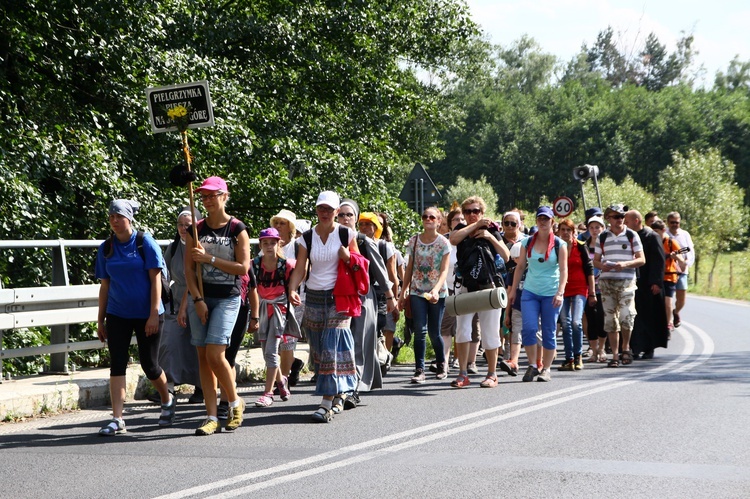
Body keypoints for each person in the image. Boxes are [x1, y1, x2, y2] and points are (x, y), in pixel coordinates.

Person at [95, 199, 175, 436]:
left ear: (129, 218)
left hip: (147, 313)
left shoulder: (144, 242)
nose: (115, 221)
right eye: (111, 217)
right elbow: (104, 287)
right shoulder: (106, 247)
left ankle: (167, 399)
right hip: (118, 313)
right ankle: (117, 418)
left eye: (119, 216)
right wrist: (100, 320)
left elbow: (155, 281)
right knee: (116, 364)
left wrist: (153, 314)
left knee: (150, 365)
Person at [184, 176, 250, 435]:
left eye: (213, 195)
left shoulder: (237, 229)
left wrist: (209, 257)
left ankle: (234, 402)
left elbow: (242, 268)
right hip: (201, 297)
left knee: (215, 354)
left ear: (224, 196)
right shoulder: (195, 229)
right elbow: (188, 269)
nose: (207, 200)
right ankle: (211, 415)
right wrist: (197, 299)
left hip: (227, 297)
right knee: (202, 356)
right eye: (204, 196)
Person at [288, 191, 360, 423]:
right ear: (317, 210)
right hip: (315, 296)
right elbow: (300, 267)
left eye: (330, 209)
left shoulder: (346, 233)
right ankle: (339, 392)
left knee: (331, 343)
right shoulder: (306, 238)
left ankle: (326, 404)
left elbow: (360, 264)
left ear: (337, 212)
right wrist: (292, 288)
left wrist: (348, 257)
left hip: (340, 296)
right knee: (319, 351)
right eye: (321, 208)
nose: (325, 213)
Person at [336, 200, 394, 405]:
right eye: (341, 215)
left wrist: (390, 297)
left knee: (359, 344)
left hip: (363, 298)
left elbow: (380, 272)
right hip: (337, 299)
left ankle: (353, 389)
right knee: (342, 345)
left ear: (356, 218)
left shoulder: (363, 241)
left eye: (349, 215)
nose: (345, 219)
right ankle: (344, 385)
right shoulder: (329, 239)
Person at [449, 196, 510, 388]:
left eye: (476, 211)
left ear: (482, 213)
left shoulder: (492, 230)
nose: (472, 215)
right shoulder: (460, 229)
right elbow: (453, 239)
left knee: (490, 331)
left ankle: (492, 374)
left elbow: (507, 257)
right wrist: (473, 227)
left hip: (489, 287)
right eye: (467, 212)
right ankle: (462, 374)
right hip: (466, 286)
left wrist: (489, 236)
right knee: (462, 330)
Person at [508, 206, 567, 382]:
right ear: (536, 221)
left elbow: (564, 270)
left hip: (551, 293)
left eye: (546, 219)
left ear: (552, 222)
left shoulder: (559, 244)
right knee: (529, 329)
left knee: (549, 331)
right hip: (530, 292)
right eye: (540, 218)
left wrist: (560, 293)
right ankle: (533, 365)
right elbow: (520, 267)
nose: (543, 222)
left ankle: (546, 369)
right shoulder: (527, 243)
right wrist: (512, 291)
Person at [399, 206, 451, 383]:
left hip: (437, 292)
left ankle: (441, 363)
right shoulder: (414, 241)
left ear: (439, 221)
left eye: (432, 217)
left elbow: (444, 271)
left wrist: (436, 290)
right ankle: (419, 369)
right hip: (417, 290)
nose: (428, 219)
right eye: (425, 216)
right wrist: (403, 291)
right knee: (419, 331)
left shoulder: (444, 243)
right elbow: (409, 269)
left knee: (434, 332)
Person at [159, 206, 203, 404]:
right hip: (176, 302)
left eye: (188, 225)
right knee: (169, 340)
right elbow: (163, 270)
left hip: (198, 300)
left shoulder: (199, 247)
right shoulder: (175, 246)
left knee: (198, 344)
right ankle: (168, 387)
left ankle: (202, 386)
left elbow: (192, 277)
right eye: (180, 225)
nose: (183, 228)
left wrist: (186, 305)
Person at [593, 204, 645, 367]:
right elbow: (595, 260)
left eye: (622, 217)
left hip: (626, 282)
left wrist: (626, 264)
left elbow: (641, 259)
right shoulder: (602, 237)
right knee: (610, 319)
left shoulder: (632, 235)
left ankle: (626, 348)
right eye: (616, 217)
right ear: (608, 218)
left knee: (626, 315)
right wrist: (603, 266)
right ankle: (615, 355)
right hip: (607, 282)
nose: (620, 220)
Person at [251, 227, 298, 407]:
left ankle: (268, 393)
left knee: (271, 351)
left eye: (272, 243)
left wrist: (293, 293)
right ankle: (281, 381)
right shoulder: (254, 264)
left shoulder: (286, 265)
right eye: (265, 243)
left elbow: (302, 269)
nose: (269, 246)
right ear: (261, 244)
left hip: (280, 310)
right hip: (263, 309)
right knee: (266, 352)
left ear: (279, 243)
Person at [625, 210, 667, 360]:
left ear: (636, 221)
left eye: (627, 221)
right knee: (634, 317)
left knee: (649, 316)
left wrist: (656, 282)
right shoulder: (629, 237)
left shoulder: (651, 237)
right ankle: (635, 347)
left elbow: (658, 261)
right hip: (634, 283)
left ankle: (649, 348)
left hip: (649, 285)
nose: (625, 224)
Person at [270, 209, 305, 386]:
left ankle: (282, 380)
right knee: (273, 340)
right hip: (272, 300)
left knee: (287, 340)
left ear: (290, 227)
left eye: (282, 223)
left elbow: (305, 271)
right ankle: (286, 371)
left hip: (295, 298)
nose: (278, 226)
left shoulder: (298, 246)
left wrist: (291, 287)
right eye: (276, 222)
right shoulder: (268, 244)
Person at [556, 219, 596, 372]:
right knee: (565, 323)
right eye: (563, 230)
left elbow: (589, 269)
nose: (565, 233)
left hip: (580, 288)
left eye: (569, 230)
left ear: (573, 232)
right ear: (559, 231)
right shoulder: (556, 247)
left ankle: (578, 355)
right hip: (562, 289)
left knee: (576, 322)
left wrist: (592, 293)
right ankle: (569, 358)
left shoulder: (580, 246)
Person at [651, 219, 687, 338]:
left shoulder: (670, 242)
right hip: (656, 276)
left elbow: (682, 255)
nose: (655, 234)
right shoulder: (651, 242)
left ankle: (667, 325)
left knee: (667, 302)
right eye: (653, 231)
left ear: (663, 230)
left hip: (669, 276)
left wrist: (676, 257)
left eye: (657, 231)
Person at [583, 216, 607, 363]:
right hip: (587, 288)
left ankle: (602, 349)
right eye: (591, 227)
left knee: (602, 318)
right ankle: (593, 349)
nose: (594, 230)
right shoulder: (584, 246)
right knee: (590, 319)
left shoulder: (606, 246)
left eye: (597, 227)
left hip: (604, 288)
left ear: (603, 229)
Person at [666, 211, 695, 328]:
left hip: (681, 271)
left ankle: (676, 312)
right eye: (672, 222)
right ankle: (668, 320)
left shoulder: (685, 235)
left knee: (681, 298)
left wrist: (686, 263)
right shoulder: (665, 234)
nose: (675, 224)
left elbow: (690, 251)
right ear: (668, 222)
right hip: (668, 271)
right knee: (668, 297)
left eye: (677, 222)